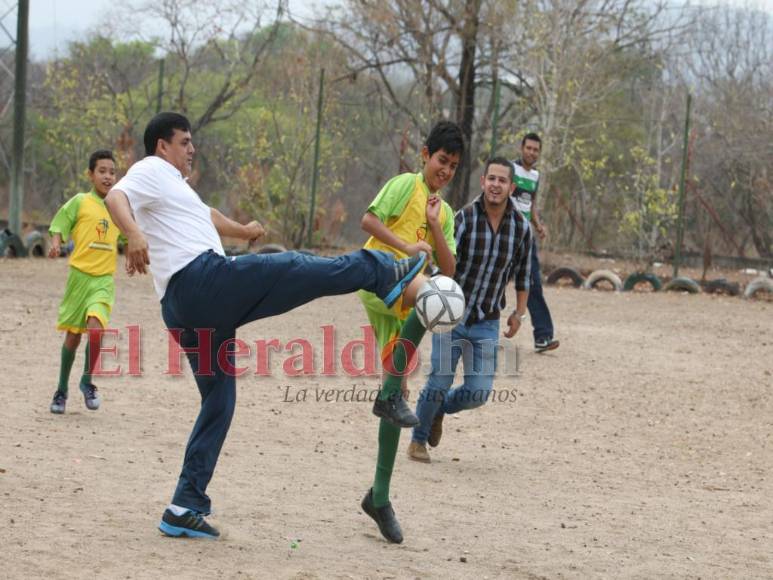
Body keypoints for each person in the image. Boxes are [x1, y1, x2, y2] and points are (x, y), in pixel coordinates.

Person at [104, 112, 429, 540]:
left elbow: (208, 215)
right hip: (203, 283)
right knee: (293, 265)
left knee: (219, 402)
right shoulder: (150, 169)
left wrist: (243, 230)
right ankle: (386, 271)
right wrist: (134, 235)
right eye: (184, 142)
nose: (191, 148)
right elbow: (115, 197)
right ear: (162, 146)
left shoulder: (175, 188)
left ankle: (184, 504)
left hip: (183, 309)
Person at [358, 121, 463, 544]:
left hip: (405, 294)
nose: (446, 170)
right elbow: (368, 220)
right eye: (442, 161)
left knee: (395, 397)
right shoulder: (406, 185)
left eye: (454, 166)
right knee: (432, 294)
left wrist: (435, 226)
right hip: (377, 277)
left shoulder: (447, 211)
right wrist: (406, 249)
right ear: (425, 155)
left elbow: (451, 267)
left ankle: (379, 496)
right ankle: (389, 396)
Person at [408, 156, 532, 464]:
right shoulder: (464, 218)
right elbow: (443, 263)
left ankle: (438, 411)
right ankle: (418, 440)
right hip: (452, 315)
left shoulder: (521, 228)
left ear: (512, 187)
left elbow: (524, 274)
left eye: (503, 181)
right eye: (491, 178)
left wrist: (519, 313)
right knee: (439, 380)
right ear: (483, 181)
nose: (496, 185)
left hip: (487, 321)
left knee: (478, 392)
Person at [48, 150, 120, 414]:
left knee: (97, 330)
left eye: (112, 172)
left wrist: (138, 253)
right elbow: (59, 224)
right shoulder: (80, 201)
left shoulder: (118, 206)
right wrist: (56, 244)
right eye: (102, 171)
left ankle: (87, 380)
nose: (108, 176)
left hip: (103, 280)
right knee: (73, 337)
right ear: (90, 174)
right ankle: (61, 390)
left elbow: (128, 236)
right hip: (78, 278)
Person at [512, 133, 559, 352]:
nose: (531, 152)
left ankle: (543, 336)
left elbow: (530, 204)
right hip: (506, 235)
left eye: (535, 149)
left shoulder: (536, 176)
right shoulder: (510, 170)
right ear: (521, 148)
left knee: (533, 285)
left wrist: (538, 225)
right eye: (528, 148)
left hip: (525, 237)